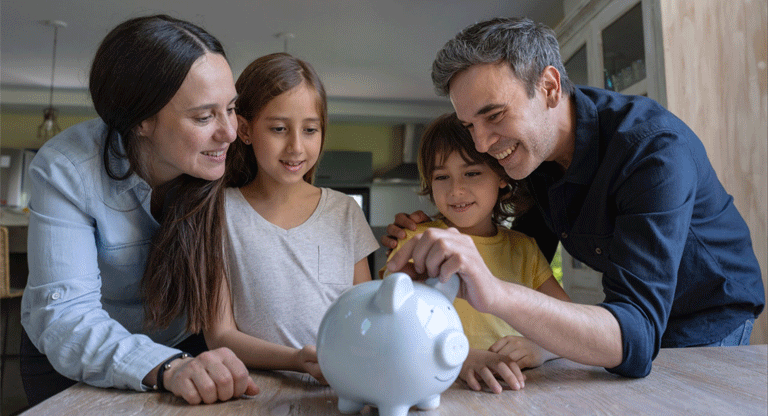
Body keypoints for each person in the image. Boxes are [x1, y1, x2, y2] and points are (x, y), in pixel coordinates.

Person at [383, 16, 765, 378]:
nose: (481, 143)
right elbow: (521, 252)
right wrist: (437, 232)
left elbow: (635, 337)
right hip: (632, 319)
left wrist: (500, 297)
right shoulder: (530, 155)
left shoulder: (651, 151)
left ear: (549, 87)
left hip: (706, 311)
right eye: (469, 126)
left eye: (495, 115)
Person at [20, 14, 259, 406]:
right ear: (141, 121)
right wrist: (168, 367)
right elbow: (66, 319)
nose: (229, 132)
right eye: (203, 116)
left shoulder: (225, 155)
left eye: (231, 108)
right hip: (73, 359)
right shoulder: (66, 168)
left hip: (189, 351)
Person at [202, 53, 379, 382]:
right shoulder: (218, 214)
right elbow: (219, 335)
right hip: (254, 394)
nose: (297, 147)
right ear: (244, 129)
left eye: (310, 129)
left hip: (342, 390)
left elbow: (365, 315)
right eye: (279, 128)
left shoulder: (345, 212)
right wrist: (297, 360)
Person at [383, 112, 571, 393]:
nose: (456, 190)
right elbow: (390, 328)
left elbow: (571, 323)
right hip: (434, 392)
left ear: (502, 177)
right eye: (442, 176)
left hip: (515, 392)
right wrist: (459, 358)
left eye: (472, 173)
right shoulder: (416, 240)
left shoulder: (524, 248)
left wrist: (541, 349)